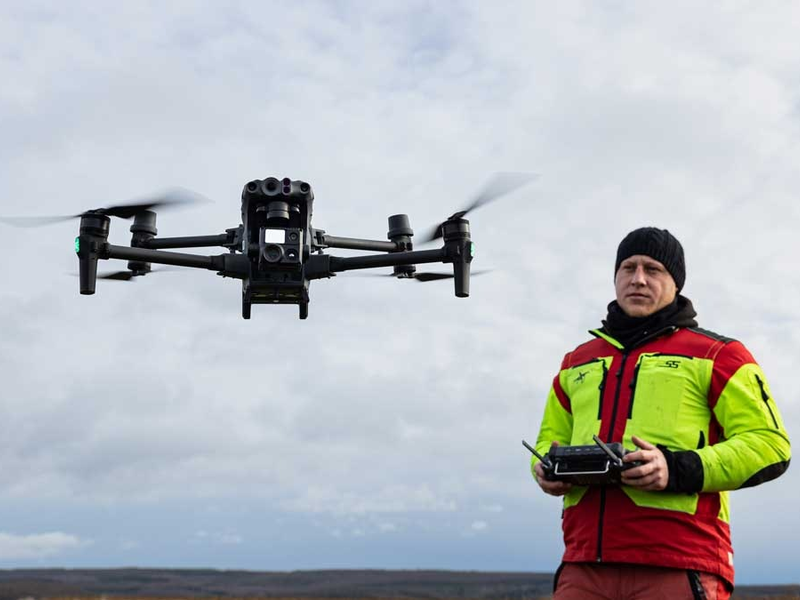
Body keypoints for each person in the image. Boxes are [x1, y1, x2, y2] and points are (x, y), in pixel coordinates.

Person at [531, 227, 791, 600]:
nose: (638, 279)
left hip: (680, 561)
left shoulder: (720, 355)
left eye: (653, 270)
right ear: (615, 277)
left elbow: (770, 446)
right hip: (582, 562)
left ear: (676, 283)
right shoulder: (575, 362)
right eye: (628, 267)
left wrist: (674, 468)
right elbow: (548, 440)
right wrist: (544, 468)